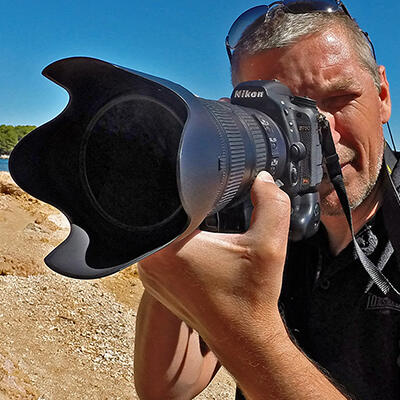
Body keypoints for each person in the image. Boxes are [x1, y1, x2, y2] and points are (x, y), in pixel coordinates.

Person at [134, 2, 400, 399]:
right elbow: (166, 388)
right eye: (286, 115)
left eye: (339, 97)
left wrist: (248, 329)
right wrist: (186, 206)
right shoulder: (256, 213)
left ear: (382, 95)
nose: (321, 135)